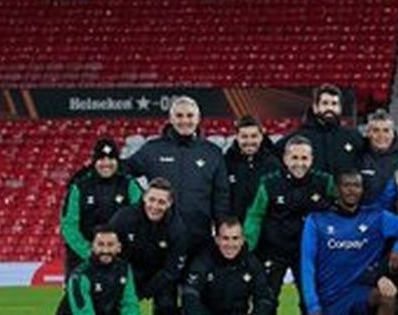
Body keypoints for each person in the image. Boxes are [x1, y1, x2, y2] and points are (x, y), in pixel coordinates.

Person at [298, 170, 398, 315]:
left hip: (360, 291)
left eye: (357, 186)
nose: (352, 190)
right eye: (347, 185)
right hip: (330, 298)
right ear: (337, 189)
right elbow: (307, 264)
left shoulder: (376, 217)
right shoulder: (317, 220)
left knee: (388, 298)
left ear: (362, 189)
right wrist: (312, 304)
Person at [243, 135, 332, 315]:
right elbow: (255, 216)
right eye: (294, 157)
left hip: (309, 255)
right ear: (285, 158)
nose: (299, 163)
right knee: (268, 303)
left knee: (310, 304)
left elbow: (336, 212)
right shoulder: (269, 183)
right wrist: (245, 251)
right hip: (275, 251)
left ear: (312, 159)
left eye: (304, 158)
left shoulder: (325, 182)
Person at [125, 97, 228, 255]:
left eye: (190, 116)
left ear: (198, 119)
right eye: (179, 116)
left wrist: (222, 229)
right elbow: (123, 171)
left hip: (199, 239)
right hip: (158, 238)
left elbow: (221, 196)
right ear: (171, 119)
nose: (185, 121)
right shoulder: (153, 150)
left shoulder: (212, 152)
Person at [109, 179, 189, 315]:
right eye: (151, 199)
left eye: (161, 202)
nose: (155, 206)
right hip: (127, 274)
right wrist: (128, 291)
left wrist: (146, 291)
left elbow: (172, 269)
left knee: (167, 307)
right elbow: (112, 254)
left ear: (169, 203)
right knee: (112, 307)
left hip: (160, 277)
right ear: (144, 197)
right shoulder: (124, 218)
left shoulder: (177, 227)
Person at [178, 219, 275, 315]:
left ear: (242, 239)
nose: (230, 244)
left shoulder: (251, 262)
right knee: (189, 312)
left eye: (235, 238)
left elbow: (265, 297)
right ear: (217, 239)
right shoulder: (203, 260)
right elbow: (190, 294)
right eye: (225, 238)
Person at [61, 138, 142, 276]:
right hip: (82, 260)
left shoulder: (129, 185)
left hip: (120, 259)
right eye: (101, 159)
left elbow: (140, 219)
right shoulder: (79, 187)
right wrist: (88, 251)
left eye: (111, 159)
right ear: (94, 161)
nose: (106, 164)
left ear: (117, 161)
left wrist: (120, 249)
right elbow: (69, 225)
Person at [296, 85, 365, 178]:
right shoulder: (299, 137)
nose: (330, 108)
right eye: (325, 103)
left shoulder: (353, 136)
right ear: (315, 107)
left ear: (340, 108)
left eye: (334, 104)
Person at [223, 116, 281, 223]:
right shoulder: (225, 163)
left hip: (266, 230)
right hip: (235, 230)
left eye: (254, 136)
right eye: (244, 136)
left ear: (261, 136)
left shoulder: (274, 164)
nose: (249, 141)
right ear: (236, 137)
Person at [357, 110, 398, 207]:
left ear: (393, 133)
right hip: (366, 216)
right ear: (368, 133)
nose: (381, 135)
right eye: (376, 130)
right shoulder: (358, 156)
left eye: (386, 130)